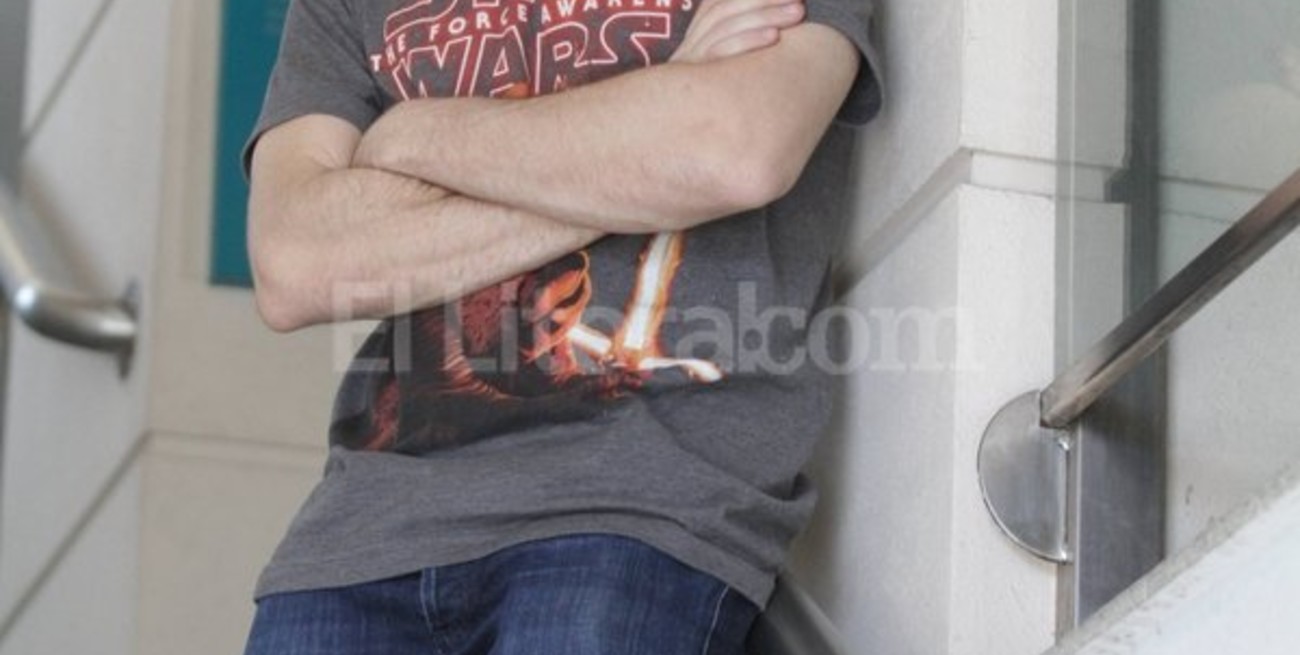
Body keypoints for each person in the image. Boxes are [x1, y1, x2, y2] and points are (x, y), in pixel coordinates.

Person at [240, 0, 881, 652]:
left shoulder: (406, 127)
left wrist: (415, 133)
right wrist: (648, 138)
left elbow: (735, 152)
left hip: (633, 511)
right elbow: (294, 264)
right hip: (357, 536)